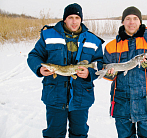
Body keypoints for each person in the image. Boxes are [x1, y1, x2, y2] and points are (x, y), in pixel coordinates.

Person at [27, 3, 104, 138]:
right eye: (70, 17)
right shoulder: (48, 35)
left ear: (81, 20)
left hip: (81, 97)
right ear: (64, 19)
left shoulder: (93, 40)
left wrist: (89, 74)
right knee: (54, 134)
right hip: (55, 96)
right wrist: (40, 68)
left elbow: (100, 64)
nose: (74, 21)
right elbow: (34, 56)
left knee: (79, 134)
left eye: (77, 18)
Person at [103, 6, 147, 138]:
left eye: (135, 19)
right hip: (121, 102)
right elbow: (106, 71)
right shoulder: (111, 46)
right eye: (128, 19)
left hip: (146, 102)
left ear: (140, 21)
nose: (131, 22)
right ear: (123, 22)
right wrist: (109, 73)